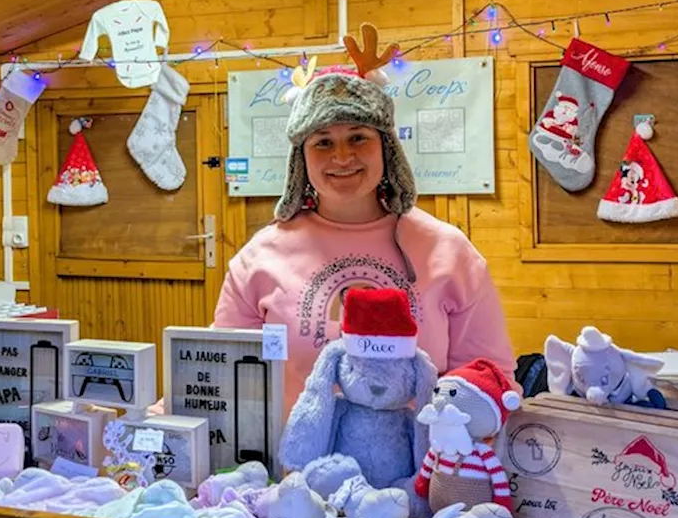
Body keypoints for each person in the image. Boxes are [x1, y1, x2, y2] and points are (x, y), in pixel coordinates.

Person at [213, 66, 516, 419]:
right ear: (301, 158)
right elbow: (221, 377)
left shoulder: (448, 251)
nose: (342, 156)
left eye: (358, 137)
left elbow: (489, 378)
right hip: (291, 468)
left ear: (387, 147)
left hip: (422, 470)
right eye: (323, 141)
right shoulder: (258, 258)